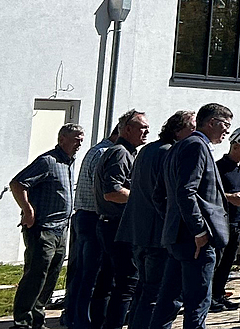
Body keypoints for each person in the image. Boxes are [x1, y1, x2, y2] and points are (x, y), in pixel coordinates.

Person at [154, 103, 232, 329]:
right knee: (197, 302)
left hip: (177, 237)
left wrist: (174, 222)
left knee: (168, 301)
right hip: (195, 240)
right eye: (225, 125)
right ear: (211, 123)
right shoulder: (197, 146)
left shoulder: (177, 147)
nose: (227, 131)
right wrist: (198, 230)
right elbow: (186, 192)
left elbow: (159, 195)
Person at [10, 123, 85, 329]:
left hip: (61, 229)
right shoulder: (48, 161)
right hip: (43, 229)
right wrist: (28, 211)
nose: (79, 143)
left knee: (51, 276)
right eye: (76, 139)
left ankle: (37, 319)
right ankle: (22, 322)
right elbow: (17, 184)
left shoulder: (69, 163)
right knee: (36, 275)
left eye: (81, 139)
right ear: (62, 139)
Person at [123, 111, 192, 329]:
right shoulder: (170, 152)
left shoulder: (147, 150)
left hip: (139, 232)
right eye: (191, 128)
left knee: (144, 290)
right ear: (178, 130)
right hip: (158, 235)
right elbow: (167, 194)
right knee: (155, 293)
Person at [95, 111, 151, 329]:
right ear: (127, 129)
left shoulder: (124, 152)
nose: (147, 131)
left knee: (108, 280)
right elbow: (112, 192)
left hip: (112, 225)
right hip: (116, 226)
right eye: (143, 127)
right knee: (127, 282)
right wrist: (143, 197)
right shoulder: (120, 153)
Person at [67, 121, 120, 329]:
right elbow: (105, 190)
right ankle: (82, 320)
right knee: (91, 274)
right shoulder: (106, 153)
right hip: (93, 217)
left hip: (84, 216)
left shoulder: (97, 149)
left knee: (81, 272)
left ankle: (72, 316)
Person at [209, 128, 240, 313]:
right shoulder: (218, 167)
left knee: (227, 262)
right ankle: (209, 298)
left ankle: (219, 295)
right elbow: (209, 191)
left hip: (237, 222)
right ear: (236, 146)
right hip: (220, 222)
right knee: (216, 262)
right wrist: (230, 197)